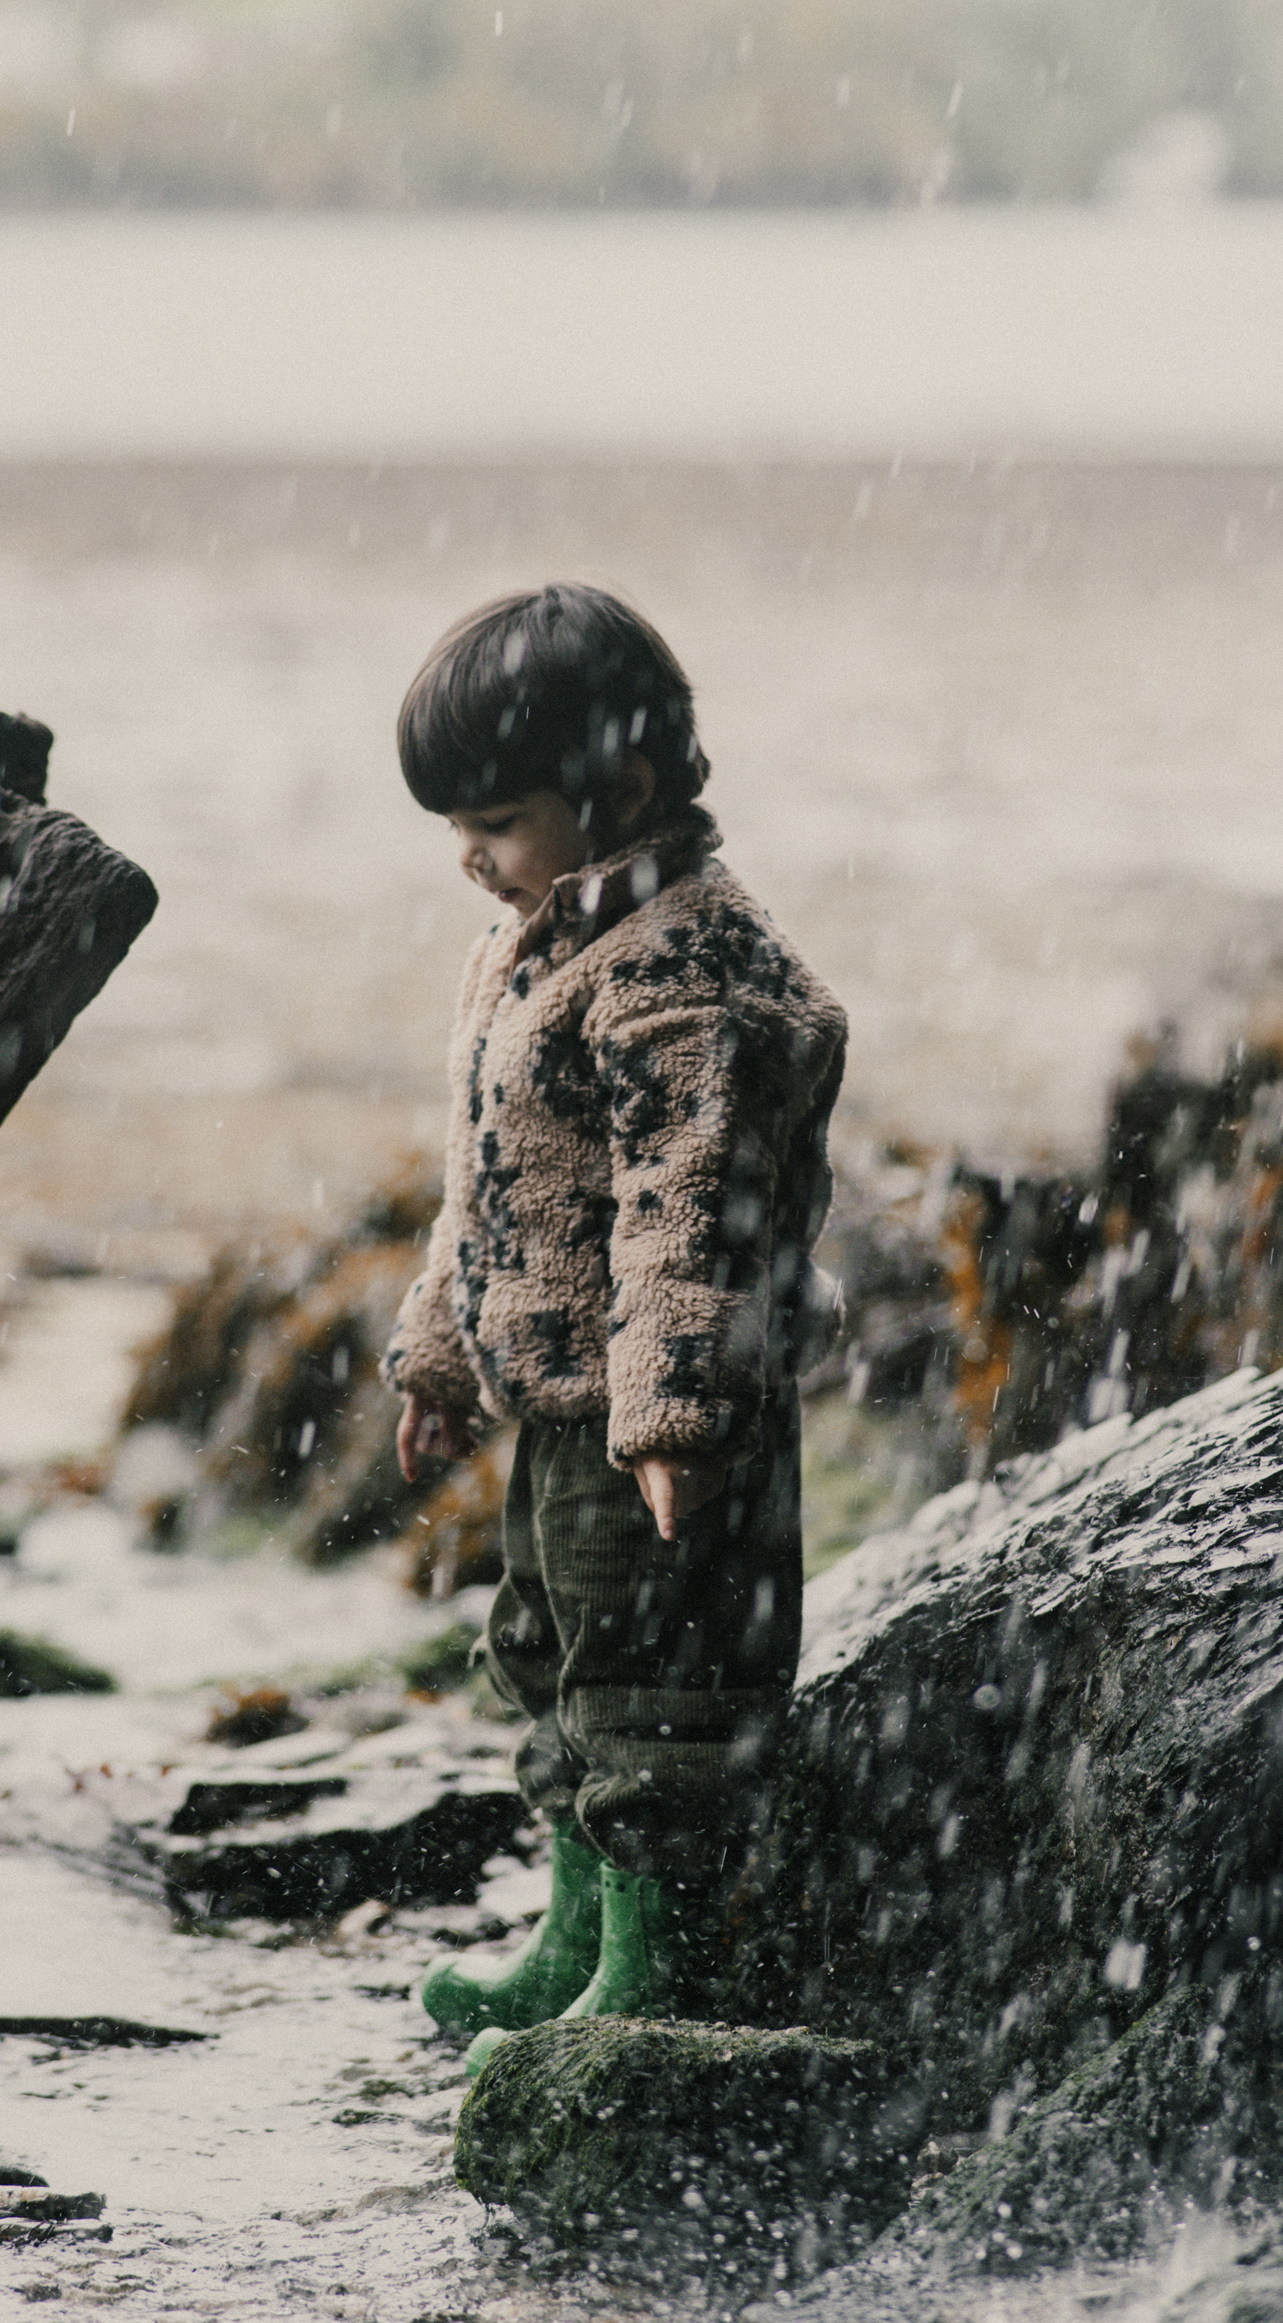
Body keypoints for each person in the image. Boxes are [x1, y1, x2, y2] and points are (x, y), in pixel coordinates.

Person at [382, 582, 847, 2063]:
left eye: (500, 819)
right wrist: (445, 1354)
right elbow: (488, 1185)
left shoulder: (686, 981)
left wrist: (674, 1416)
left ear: (623, 790)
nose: (471, 856)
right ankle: (578, 1938)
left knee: (661, 1682)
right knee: (552, 1656)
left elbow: (686, 1212)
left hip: (666, 1415)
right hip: (567, 1402)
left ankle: (663, 1969)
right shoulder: (537, 944)